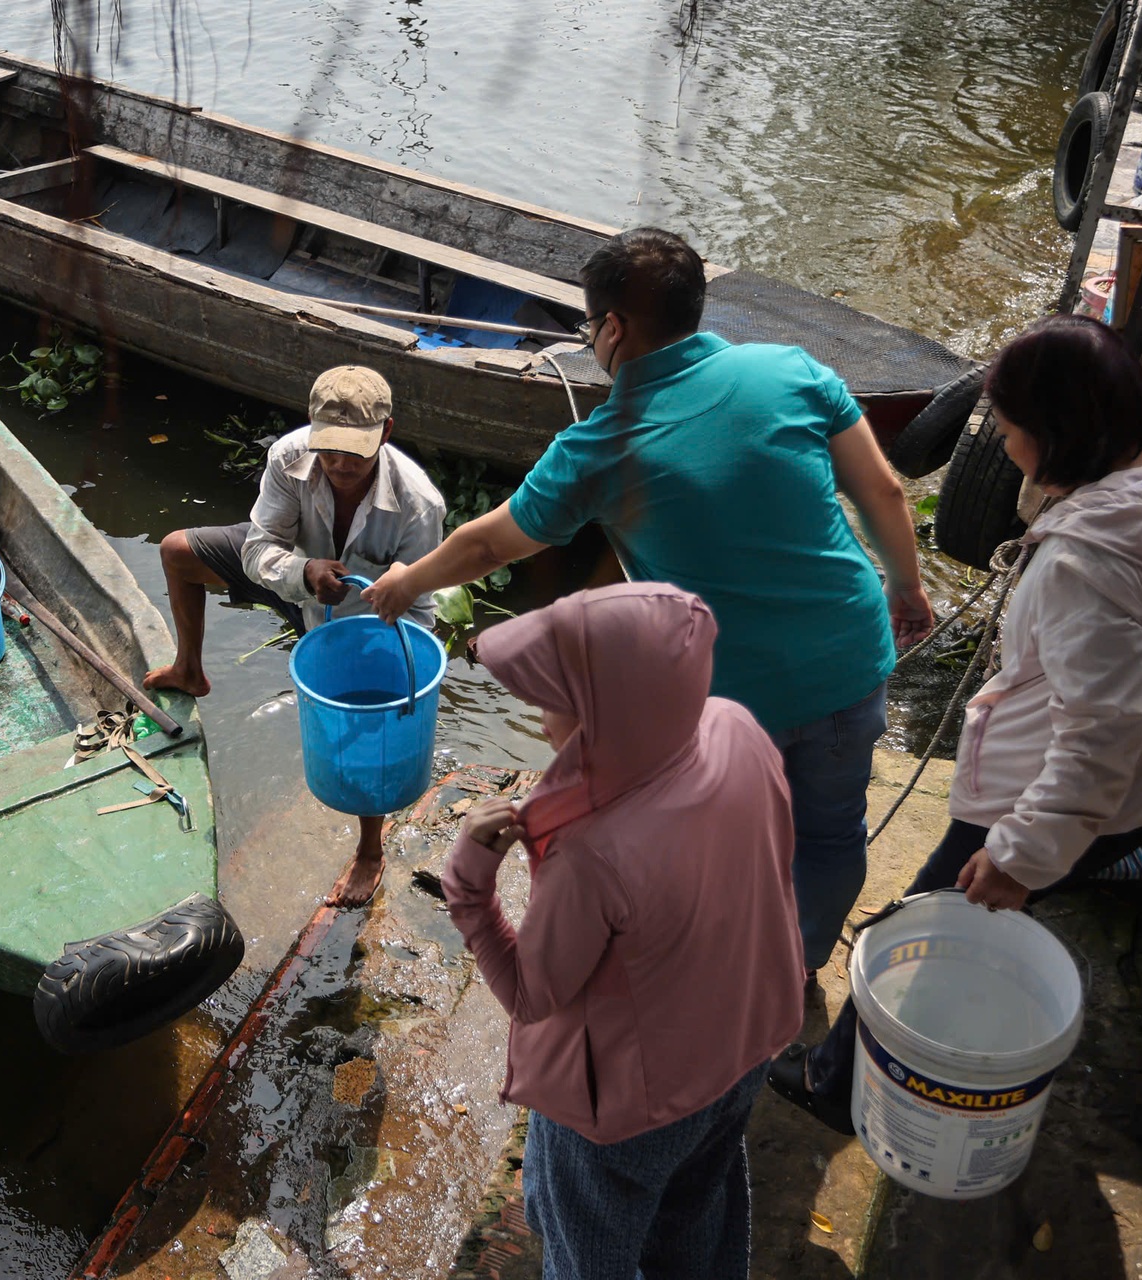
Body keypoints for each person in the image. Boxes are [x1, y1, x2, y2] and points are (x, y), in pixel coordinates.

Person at [365, 227, 934, 980]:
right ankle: (797, 970)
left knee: (725, 844)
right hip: (851, 658)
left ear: (612, 328)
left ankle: (735, 981)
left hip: (735, 698)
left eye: (589, 327)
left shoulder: (597, 446)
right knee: (830, 836)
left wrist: (404, 583)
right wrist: (906, 586)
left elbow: (487, 547)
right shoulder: (789, 368)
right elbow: (883, 492)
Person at [769, 314, 1142, 1132]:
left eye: (1007, 432)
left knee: (927, 920)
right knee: (1016, 880)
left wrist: (1021, 855)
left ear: (1054, 436)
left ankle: (835, 1086)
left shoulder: (1088, 562)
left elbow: (1100, 736)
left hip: (1037, 794)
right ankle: (1117, 854)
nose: (1002, 447)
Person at [444, 584, 803, 1280]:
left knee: (590, 1250)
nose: (538, 717)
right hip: (744, 1046)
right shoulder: (734, 726)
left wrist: (469, 882)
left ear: (601, 721)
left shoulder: (590, 851)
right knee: (696, 1209)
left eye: (551, 700)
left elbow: (530, 996)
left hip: (633, 1109)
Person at [143, 365, 446, 907]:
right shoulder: (289, 457)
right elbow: (259, 548)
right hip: (295, 573)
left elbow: (418, 611)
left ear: (386, 433)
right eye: (330, 450)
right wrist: (303, 572)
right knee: (177, 552)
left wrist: (394, 671)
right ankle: (189, 669)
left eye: (356, 453)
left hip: (354, 617)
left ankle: (369, 851)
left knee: (366, 710)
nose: (340, 465)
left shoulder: (419, 503)